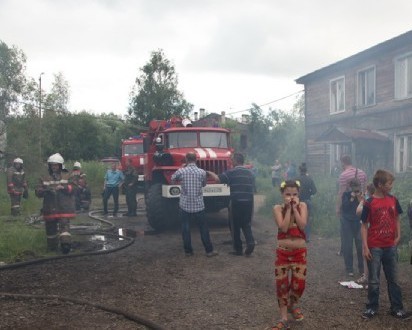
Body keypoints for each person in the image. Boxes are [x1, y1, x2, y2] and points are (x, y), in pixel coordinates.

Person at [360, 169, 410, 320]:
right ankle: (371, 308)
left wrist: (398, 235)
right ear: (380, 184)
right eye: (389, 183)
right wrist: (365, 247)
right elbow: (364, 225)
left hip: (390, 246)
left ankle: (397, 308)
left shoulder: (393, 199)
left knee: (393, 279)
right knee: (374, 280)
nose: (391, 186)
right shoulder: (369, 203)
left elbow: (397, 219)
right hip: (374, 246)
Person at [272, 180, 308, 329]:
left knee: (299, 285)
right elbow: (284, 227)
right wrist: (288, 210)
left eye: (294, 194)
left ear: (298, 194)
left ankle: (293, 304)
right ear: (282, 195)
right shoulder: (277, 208)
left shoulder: (303, 206)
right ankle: (283, 317)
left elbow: (302, 225)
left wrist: (295, 209)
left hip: (300, 252)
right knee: (282, 285)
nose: (291, 197)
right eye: (288, 194)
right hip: (283, 253)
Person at [208, 152, 255, 256]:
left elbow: (218, 179)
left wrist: (210, 172)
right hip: (249, 201)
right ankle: (250, 242)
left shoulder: (231, 172)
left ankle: (238, 249)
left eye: (232, 160)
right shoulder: (250, 173)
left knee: (235, 225)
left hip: (236, 202)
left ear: (235, 161)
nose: (231, 161)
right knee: (246, 223)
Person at [171, 152, 218, 257]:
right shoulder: (201, 172)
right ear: (196, 159)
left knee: (186, 229)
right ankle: (209, 251)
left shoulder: (181, 171)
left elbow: (172, 179)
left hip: (185, 205)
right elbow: (204, 184)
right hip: (198, 205)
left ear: (186, 160)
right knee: (203, 228)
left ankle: (188, 252)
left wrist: (179, 183)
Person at [35, 153, 75, 254]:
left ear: (61, 165)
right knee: (50, 229)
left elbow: (75, 188)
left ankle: (66, 245)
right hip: (50, 207)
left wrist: (64, 188)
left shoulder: (67, 175)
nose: (54, 167)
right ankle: (52, 248)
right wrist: (45, 191)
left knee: (64, 227)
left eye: (56, 165)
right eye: (52, 165)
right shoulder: (44, 177)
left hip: (63, 207)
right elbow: (38, 191)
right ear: (49, 166)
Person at [336, 154, 367, 256]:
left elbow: (341, 192)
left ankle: (344, 250)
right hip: (361, 203)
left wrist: (338, 207)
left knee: (345, 230)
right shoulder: (362, 173)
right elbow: (365, 190)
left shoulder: (343, 175)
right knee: (361, 227)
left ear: (343, 163)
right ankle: (362, 250)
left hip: (349, 204)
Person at [341, 178, 363, 277]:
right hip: (347, 221)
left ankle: (362, 268)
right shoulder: (346, 194)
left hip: (358, 222)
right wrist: (351, 198)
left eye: (358, 187)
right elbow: (345, 207)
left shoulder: (362, 195)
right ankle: (349, 268)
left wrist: (359, 199)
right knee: (348, 245)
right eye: (355, 188)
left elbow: (365, 208)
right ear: (351, 187)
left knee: (360, 245)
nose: (356, 190)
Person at [356, 183, 375, 285]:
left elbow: (358, 211)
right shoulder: (375, 200)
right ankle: (368, 276)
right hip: (371, 229)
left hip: (367, 230)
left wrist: (362, 201)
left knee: (367, 253)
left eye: (367, 190)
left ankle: (368, 277)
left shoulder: (369, 201)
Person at [296, 162, 317, 242]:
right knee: (308, 219)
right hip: (307, 201)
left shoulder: (296, 179)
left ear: (299, 170)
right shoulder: (310, 179)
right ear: (306, 171)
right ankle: (306, 237)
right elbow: (314, 191)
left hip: (298, 201)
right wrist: (309, 193)